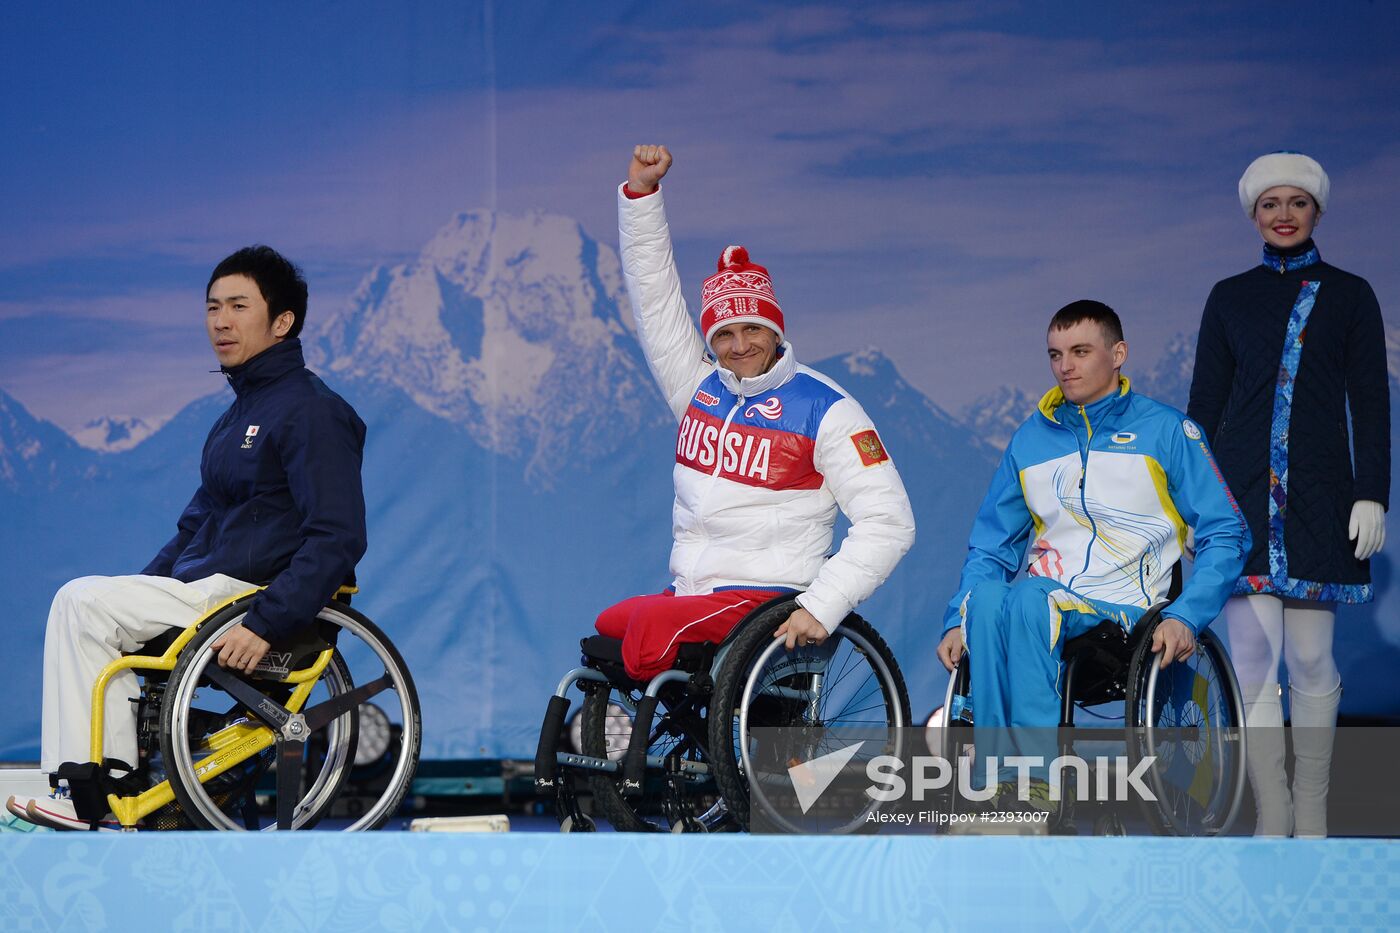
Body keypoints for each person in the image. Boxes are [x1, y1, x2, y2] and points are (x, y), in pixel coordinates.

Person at [5, 245, 367, 831]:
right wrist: (142, 588)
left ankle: (97, 791)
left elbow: (338, 535)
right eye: (212, 307)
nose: (220, 321)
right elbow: (193, 528)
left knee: (80, 600)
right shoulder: (235, 416)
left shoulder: (312, 412)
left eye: (238, 306)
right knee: (98, 604)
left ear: (282, 322)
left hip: (249, 599)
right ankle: (102, 782)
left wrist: (267, 620)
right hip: (209, 590)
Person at [600, 144, 915, 681]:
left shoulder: (827, 409)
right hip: (692, 591)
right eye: (724, 333)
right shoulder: (698, 388)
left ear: (777, 330)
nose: (739, 345)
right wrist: (642, 197)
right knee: (610, 624)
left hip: (766, 599)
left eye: (753, 329)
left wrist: (822, 604)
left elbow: (890, 522)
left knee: (647, 631)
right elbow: (654, 303)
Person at [937, 300, 1250, 818]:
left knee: (1032, 597)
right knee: (989, 598)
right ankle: (992, 780)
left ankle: (1036, 781)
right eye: (1056, 354)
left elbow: (1226, 530)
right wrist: (958, 619)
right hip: (1045, 603)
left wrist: (1186, 614)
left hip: (1128, 609)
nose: (1066, 366)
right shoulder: (1030, 440)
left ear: (1118, 352)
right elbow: (992, 547)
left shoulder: (1167, 431)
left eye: (1081, 351)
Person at [1187, 152, 1389, 838]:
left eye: (1296, 203)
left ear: (1318, 211)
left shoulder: (1352, 294)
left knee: (1308, 658)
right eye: (1269, 203)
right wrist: (1196, 501)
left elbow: (1370, 399)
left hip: (1320, 497)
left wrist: (1373, 493)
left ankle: (1314, 807)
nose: (1282, 214)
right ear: (1252, 213)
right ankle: (1271, 811)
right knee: (1250, 658)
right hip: (1239, 499)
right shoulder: (1228, 296)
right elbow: (1203, 409)